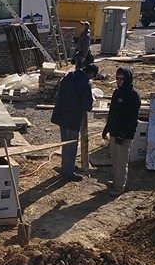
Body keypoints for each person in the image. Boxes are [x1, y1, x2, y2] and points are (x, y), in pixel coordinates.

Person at [51, 63, 99, 182]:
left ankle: (65, 167)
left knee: (65, 144)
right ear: (91, 74)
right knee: (71, 146)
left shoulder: (69, 76)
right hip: (72, 118)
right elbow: (87, 106)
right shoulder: (85, 84)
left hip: (61, 115)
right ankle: (68, 173)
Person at [102, 67, 141, 196]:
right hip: (114, 131)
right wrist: (106, 128)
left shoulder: (133, 95)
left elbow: (132, 118)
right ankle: (117, 181)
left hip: (125, 135)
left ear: (127, 79)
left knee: (121, 161)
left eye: (121, 79)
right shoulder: (117, 93)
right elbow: (112, 112)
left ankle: (119, 187)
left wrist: (123, 134)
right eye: (117, 78)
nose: (119, 81)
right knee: (114, 157)